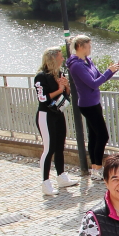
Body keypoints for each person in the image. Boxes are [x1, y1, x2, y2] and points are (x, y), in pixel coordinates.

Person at [66, 34, 119, 178]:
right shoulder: (76, 66)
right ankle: (97, 168)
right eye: (88, 46)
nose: (90, 48)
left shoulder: (87, 61)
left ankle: (94, 168)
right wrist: (108, 72)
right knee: (103, 135)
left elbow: (99, 77)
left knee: (94, 136)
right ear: (80, 47)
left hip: (94, 103)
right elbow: (93, 84)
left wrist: (112, 71)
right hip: (88, 105)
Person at [34, 46, 77, 195]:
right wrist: (59, 89)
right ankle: (45, 183)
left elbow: (65, 95)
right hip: (45, 115)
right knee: (49, 148)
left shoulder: (59, 73)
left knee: (59, 146)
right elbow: (43, 98)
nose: (63, 59)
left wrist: (66, 87)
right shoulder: (41, 77)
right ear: (52, 58)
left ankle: (61, 176)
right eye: (60, 56)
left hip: (58, 114)